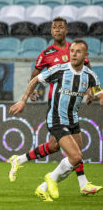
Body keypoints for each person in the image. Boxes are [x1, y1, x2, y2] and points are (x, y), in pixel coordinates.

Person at [8, 17, 101, 196]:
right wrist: (28, 95)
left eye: (61, 27)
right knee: (73, 154)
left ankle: (20, 161)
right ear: (51, 31)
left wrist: (91, 93)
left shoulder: (76, 49)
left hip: (73, 106)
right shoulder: (47, 53)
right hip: (56, 105)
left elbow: (88, 76)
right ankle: (78, 183)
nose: (57, 30)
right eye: (54, 27)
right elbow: (35, 76)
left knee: (56, 147)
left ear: (66, 31)